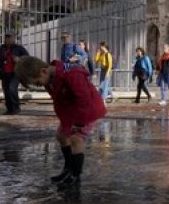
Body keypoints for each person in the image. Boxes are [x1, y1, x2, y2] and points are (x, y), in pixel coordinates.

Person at [14, 55, 106, 187]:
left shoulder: (73, 75)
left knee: (76, 139)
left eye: (38, 83)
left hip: (88, 109)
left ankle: (75, 175)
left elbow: (84, 100)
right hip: (72, 110)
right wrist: (65, 121)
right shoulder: (50, 79)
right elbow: (60, 101)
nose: (40, 86)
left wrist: (78, 123)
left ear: (43, 71)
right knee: (61, 136)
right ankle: (67, 170)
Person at [0, 32, 29, 115]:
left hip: (15, 73)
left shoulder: (19, 48)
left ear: (14, 39)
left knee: (12, 89)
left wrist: (19, 59)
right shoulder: (2, 48)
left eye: (10, 37)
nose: (8, 39)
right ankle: (10, 109)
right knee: (6, 91)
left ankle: (16, 107)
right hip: (5, 73)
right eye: (6, 38)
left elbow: (27, 57)